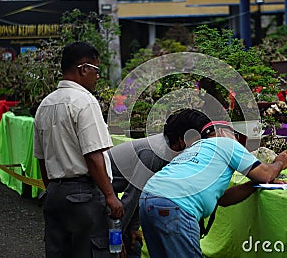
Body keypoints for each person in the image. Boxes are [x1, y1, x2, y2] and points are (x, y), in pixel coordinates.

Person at [107, 109, 263, 257]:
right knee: (112, 248)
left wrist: (132, 228)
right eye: (199, 140)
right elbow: (132, 196)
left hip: (132, 201)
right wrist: (117, 234)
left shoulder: (173, 152)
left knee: (133, 245)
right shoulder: (153, 154)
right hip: (99, 190)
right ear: (184, 139)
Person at [139, 110, 287, 258]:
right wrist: (279, 163)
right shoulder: (227, 144)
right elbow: (265, 173)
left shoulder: (196, 149)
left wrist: (252, 185)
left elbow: (222, 199)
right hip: (176, 204)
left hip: (149, 198)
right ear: (225, 132)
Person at [33, 41, 123, 258]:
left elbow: (41, 159)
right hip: (84, 196)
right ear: (83, 69)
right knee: (92, 251)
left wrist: (53, 190)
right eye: (96, 70)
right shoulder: (84, 101)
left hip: (54, 194)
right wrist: (110, 195)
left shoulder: (44, 105)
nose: (98, 76)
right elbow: (93, 155)